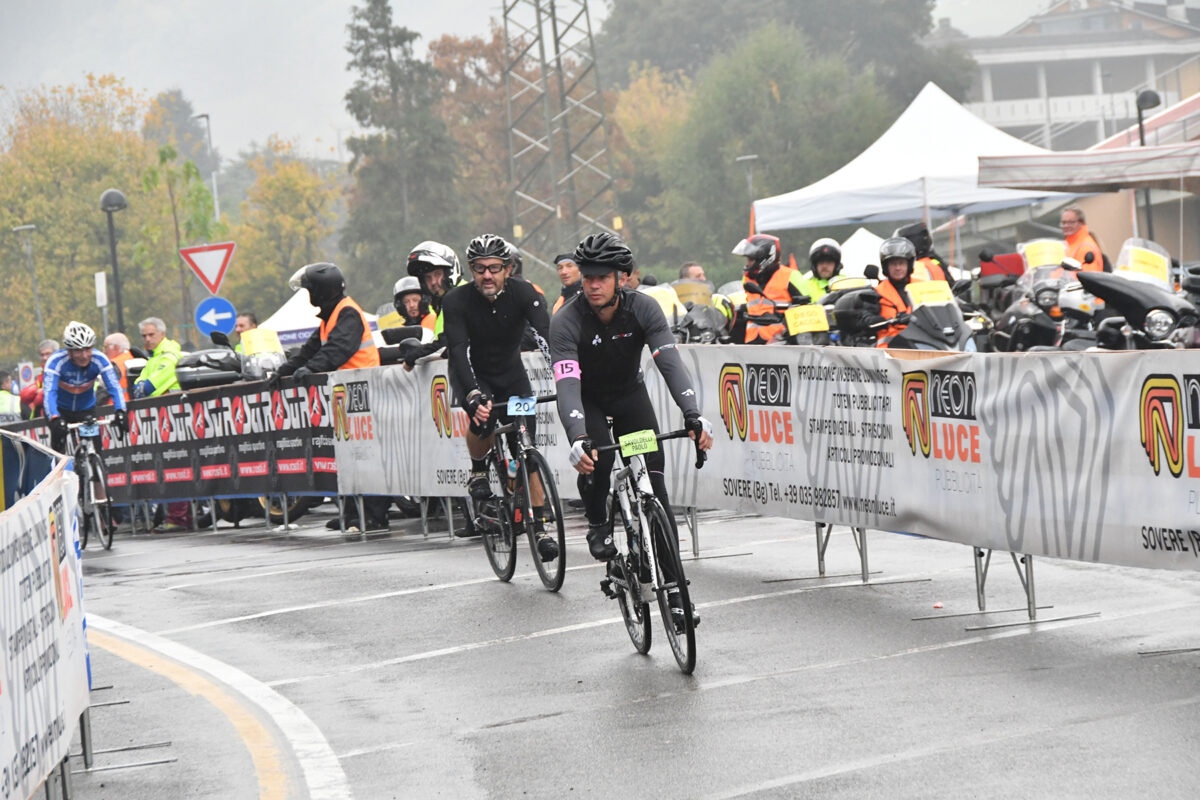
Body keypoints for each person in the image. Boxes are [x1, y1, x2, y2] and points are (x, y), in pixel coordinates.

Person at [550, 232, 713, 625]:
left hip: (629, 398)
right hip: (587, 400)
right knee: (597, 459)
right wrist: (577, 438)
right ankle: (597, 521)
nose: (592, 284)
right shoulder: (566, 321)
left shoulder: (644, 309)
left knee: (655, 492)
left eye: (602, 276)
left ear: (622, 277)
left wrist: (692, 413)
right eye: (587, 276)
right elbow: (567, 386)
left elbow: (669, 363)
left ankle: (676, 595)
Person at [441, 233, 558, 562]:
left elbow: (544, 338)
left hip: (512, 378)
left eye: (494, 267)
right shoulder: (456, 301)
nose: (487, 275)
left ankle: (540, 528)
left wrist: (564, 378)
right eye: (480, 268)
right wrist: (474, 395)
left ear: (508, 269)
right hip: (474, 375)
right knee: (484, 418)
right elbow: (458, 353)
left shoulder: (525, 294)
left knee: (527, 444)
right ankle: (479, 469)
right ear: (471, 270)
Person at [43, 321, 127, 456]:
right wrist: (54, 417)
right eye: (78, 350)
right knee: (59, 448)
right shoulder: (56, 361)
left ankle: (97, 472)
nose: (84, 355)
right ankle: (59, 472)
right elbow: (49, 393)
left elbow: (114, 387)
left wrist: (120, 411)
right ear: (69, 351)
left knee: (97, 449)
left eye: (87, 349)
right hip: (60, 410)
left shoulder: (100, 359)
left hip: (86, 409)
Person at [732, 233, 808, 343]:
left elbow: (807, 307)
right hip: (752, 341)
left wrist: (786, 335)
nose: (747, 264)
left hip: (782, 342)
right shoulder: (748, 279)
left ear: (764, 258)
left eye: (751, 259)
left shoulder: (791, 275)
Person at [399, 241, 464, 367]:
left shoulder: (461, 296)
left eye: (437, 274)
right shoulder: (443, 303)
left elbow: (449, 342)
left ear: (450, 272)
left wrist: (416, 354)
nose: (433, 282)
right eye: (428, 278)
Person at [866, 237, 917, 347]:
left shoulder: (923, 287)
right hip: (889, 350)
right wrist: (874, 319)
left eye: (901, 263)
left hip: (921, 343)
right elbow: (866, 316)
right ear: (886, 267)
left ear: (909, 265)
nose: (897, 268)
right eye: (893, 264)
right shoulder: (876, 293)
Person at [132, 318, 182, 399]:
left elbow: (148, 388)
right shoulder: (154, 357)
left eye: (151, 335)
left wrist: (141, 387)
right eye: (144, 336)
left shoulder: (169, 356)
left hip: (173, 404)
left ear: (162, 334)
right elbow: (137, 384)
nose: (147, 339)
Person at [19, 338, 59, 418]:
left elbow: (43, 397)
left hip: (59, 416)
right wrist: (37, 391)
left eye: (48, 354)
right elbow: (24, 395)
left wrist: (40, 393)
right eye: (42, 355)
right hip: (41, 421)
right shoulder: (42, 375)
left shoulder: (61, 370)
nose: (44, 358)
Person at [796, 238, 844, 303]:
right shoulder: (804, 285)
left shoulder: (847, 282)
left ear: (837, 265)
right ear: (814, 266)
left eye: (829, 262)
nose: (824, 266)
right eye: (821, 262)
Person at [1060, 206, 1104, 272]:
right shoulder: (1067, 246)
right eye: (1064, 222)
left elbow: (1089, 277)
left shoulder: (1086, 248)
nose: (1066, 226)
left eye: (1071, 222)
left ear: (1082, 223)